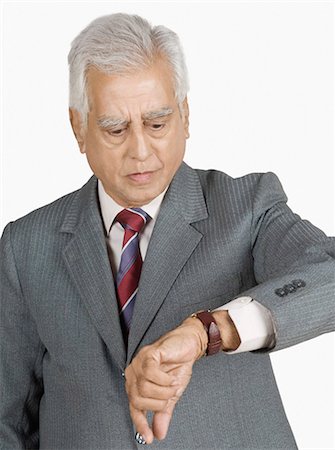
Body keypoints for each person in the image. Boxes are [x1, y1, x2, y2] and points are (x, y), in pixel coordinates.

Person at [0, 12, 334, 450]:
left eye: (157, 123)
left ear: (185, 115)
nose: (141, 150)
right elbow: (9, 421)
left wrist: (207, 332)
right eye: (115, 128)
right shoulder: (25, 248)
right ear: (78, 128)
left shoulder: (247, 207)